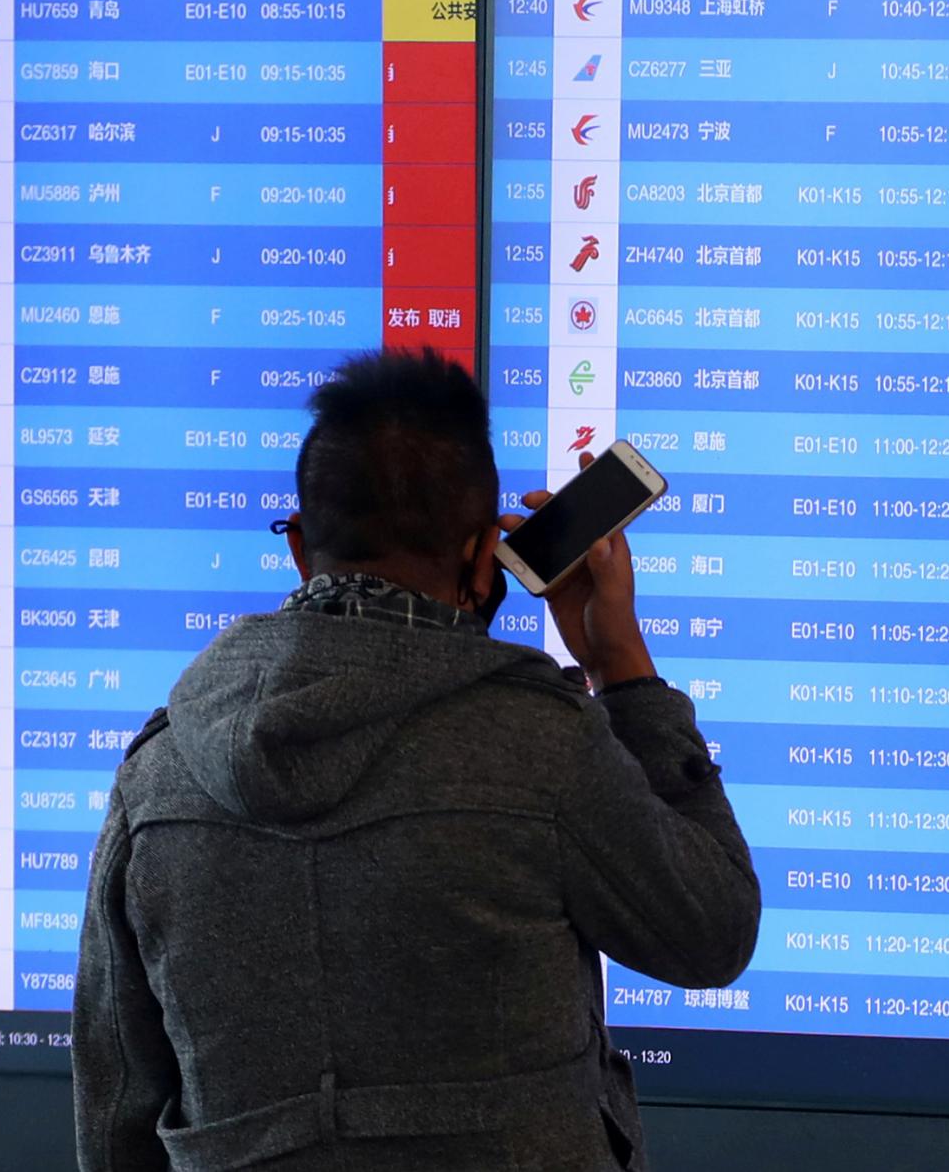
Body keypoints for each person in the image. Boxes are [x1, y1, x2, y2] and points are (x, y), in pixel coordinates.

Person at [74, 348, 760, 1171]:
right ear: (481, 560)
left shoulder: (156, 773)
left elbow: (119, 1096)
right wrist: (625, 668)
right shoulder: (540, 745)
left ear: (298, 547)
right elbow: (712, 934)